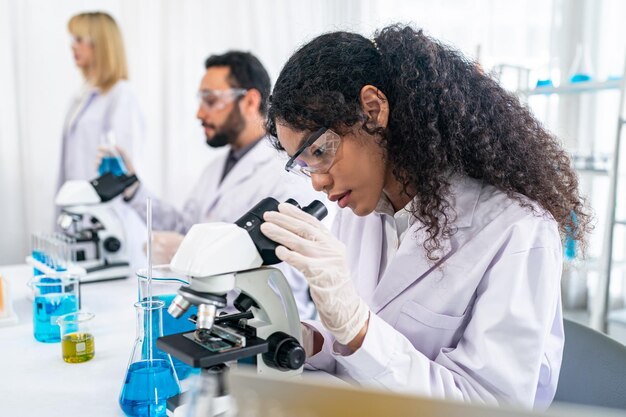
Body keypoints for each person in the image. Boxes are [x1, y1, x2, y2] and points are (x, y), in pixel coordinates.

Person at [259, 25, 591, 409]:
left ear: (372, 110)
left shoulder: (518, 230)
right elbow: (362, 352)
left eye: (319, 152)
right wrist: (309, 338)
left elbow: (486, 403)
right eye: (302, 164)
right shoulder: (361, 211)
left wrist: (357, 327)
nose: (317, 182)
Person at [105, 51, 324, 318]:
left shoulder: (288, 176)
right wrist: (132, 188)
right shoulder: (216, 169)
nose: (199, 113)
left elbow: (283, 279)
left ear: (250, 101)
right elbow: (185, 227)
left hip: (260, 325)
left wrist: (196, 256)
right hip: (212, 316)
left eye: (210, 100)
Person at [58, 11, 146, 268]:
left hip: (109, 219)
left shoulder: (122, 97)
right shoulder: (82, 97)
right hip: (84, 215)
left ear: (101, 44)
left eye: (79, 39)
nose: (72, 46)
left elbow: (121, 173)